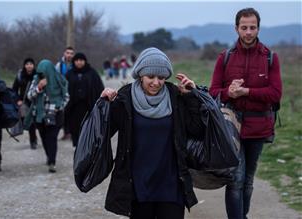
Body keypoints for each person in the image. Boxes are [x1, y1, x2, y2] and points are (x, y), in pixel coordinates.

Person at [100, 47, 205, 218]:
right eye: (151, 77)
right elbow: (104, 131)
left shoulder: (175, 96)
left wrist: (191, 96)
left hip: (171, 184)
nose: (156, 82)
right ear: (140, 75)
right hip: (138, 185)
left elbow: (196, 130)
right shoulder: (125, 98)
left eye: (161, 77)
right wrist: (104, 105)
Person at [209, 8, 282, 219]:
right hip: (230, 127)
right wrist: (229, 92)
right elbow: (214, 92)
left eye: (252, 27)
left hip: (259, 127)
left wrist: (247, 91)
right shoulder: (225, 57)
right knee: (236, 178)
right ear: (236, 29)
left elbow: (276, 94)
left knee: (248, 179)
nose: (248, 32)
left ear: (258, 28)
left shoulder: (270, 58)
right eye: (244, 27)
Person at [24, 59, 68, 173]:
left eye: (44, 72)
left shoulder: (59, 79)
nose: (42, 74)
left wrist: (59, 106)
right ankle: (49, 156)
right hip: (39, 115)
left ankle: (52, 162)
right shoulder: (36, 80)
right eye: (40, 72)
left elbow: (66, 96)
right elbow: (29, 96)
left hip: (55, 114)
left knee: (52, 137)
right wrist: (38, 88)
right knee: (44, 137)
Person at [65, 52, 104, 147]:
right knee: (75, 128)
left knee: (88, 128)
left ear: (85, 61)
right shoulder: (69, 74)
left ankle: (86, 147)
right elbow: (64, 88)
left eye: (81, 60)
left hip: (88, 106)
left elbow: (99, 88)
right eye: (77, 60)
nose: (79, 62)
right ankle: (76, 146)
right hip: (73, 107)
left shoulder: (92, 73)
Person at [12, 58, 38, 149]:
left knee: (34, 123)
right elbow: (14, 90)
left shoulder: (38, 75)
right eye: (27, 64)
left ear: (34, 65)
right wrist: (17, 100)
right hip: (24, 102)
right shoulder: (20, 75)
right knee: (28, 121)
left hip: (36, 101)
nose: (29, 66)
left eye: (31, 64)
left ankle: (33, 140)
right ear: (24, 65)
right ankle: (33, 139)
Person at [55, 46, 74, 141]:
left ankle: (72, 132)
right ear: (64, 54)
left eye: (71, 53)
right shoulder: (59, 65)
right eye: (68, 53)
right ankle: (66, 132)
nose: (69, 55)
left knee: (73, 113)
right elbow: (55, 78)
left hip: (74, 92)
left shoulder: (75, 64)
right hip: (62, 92)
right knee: (64, 113)